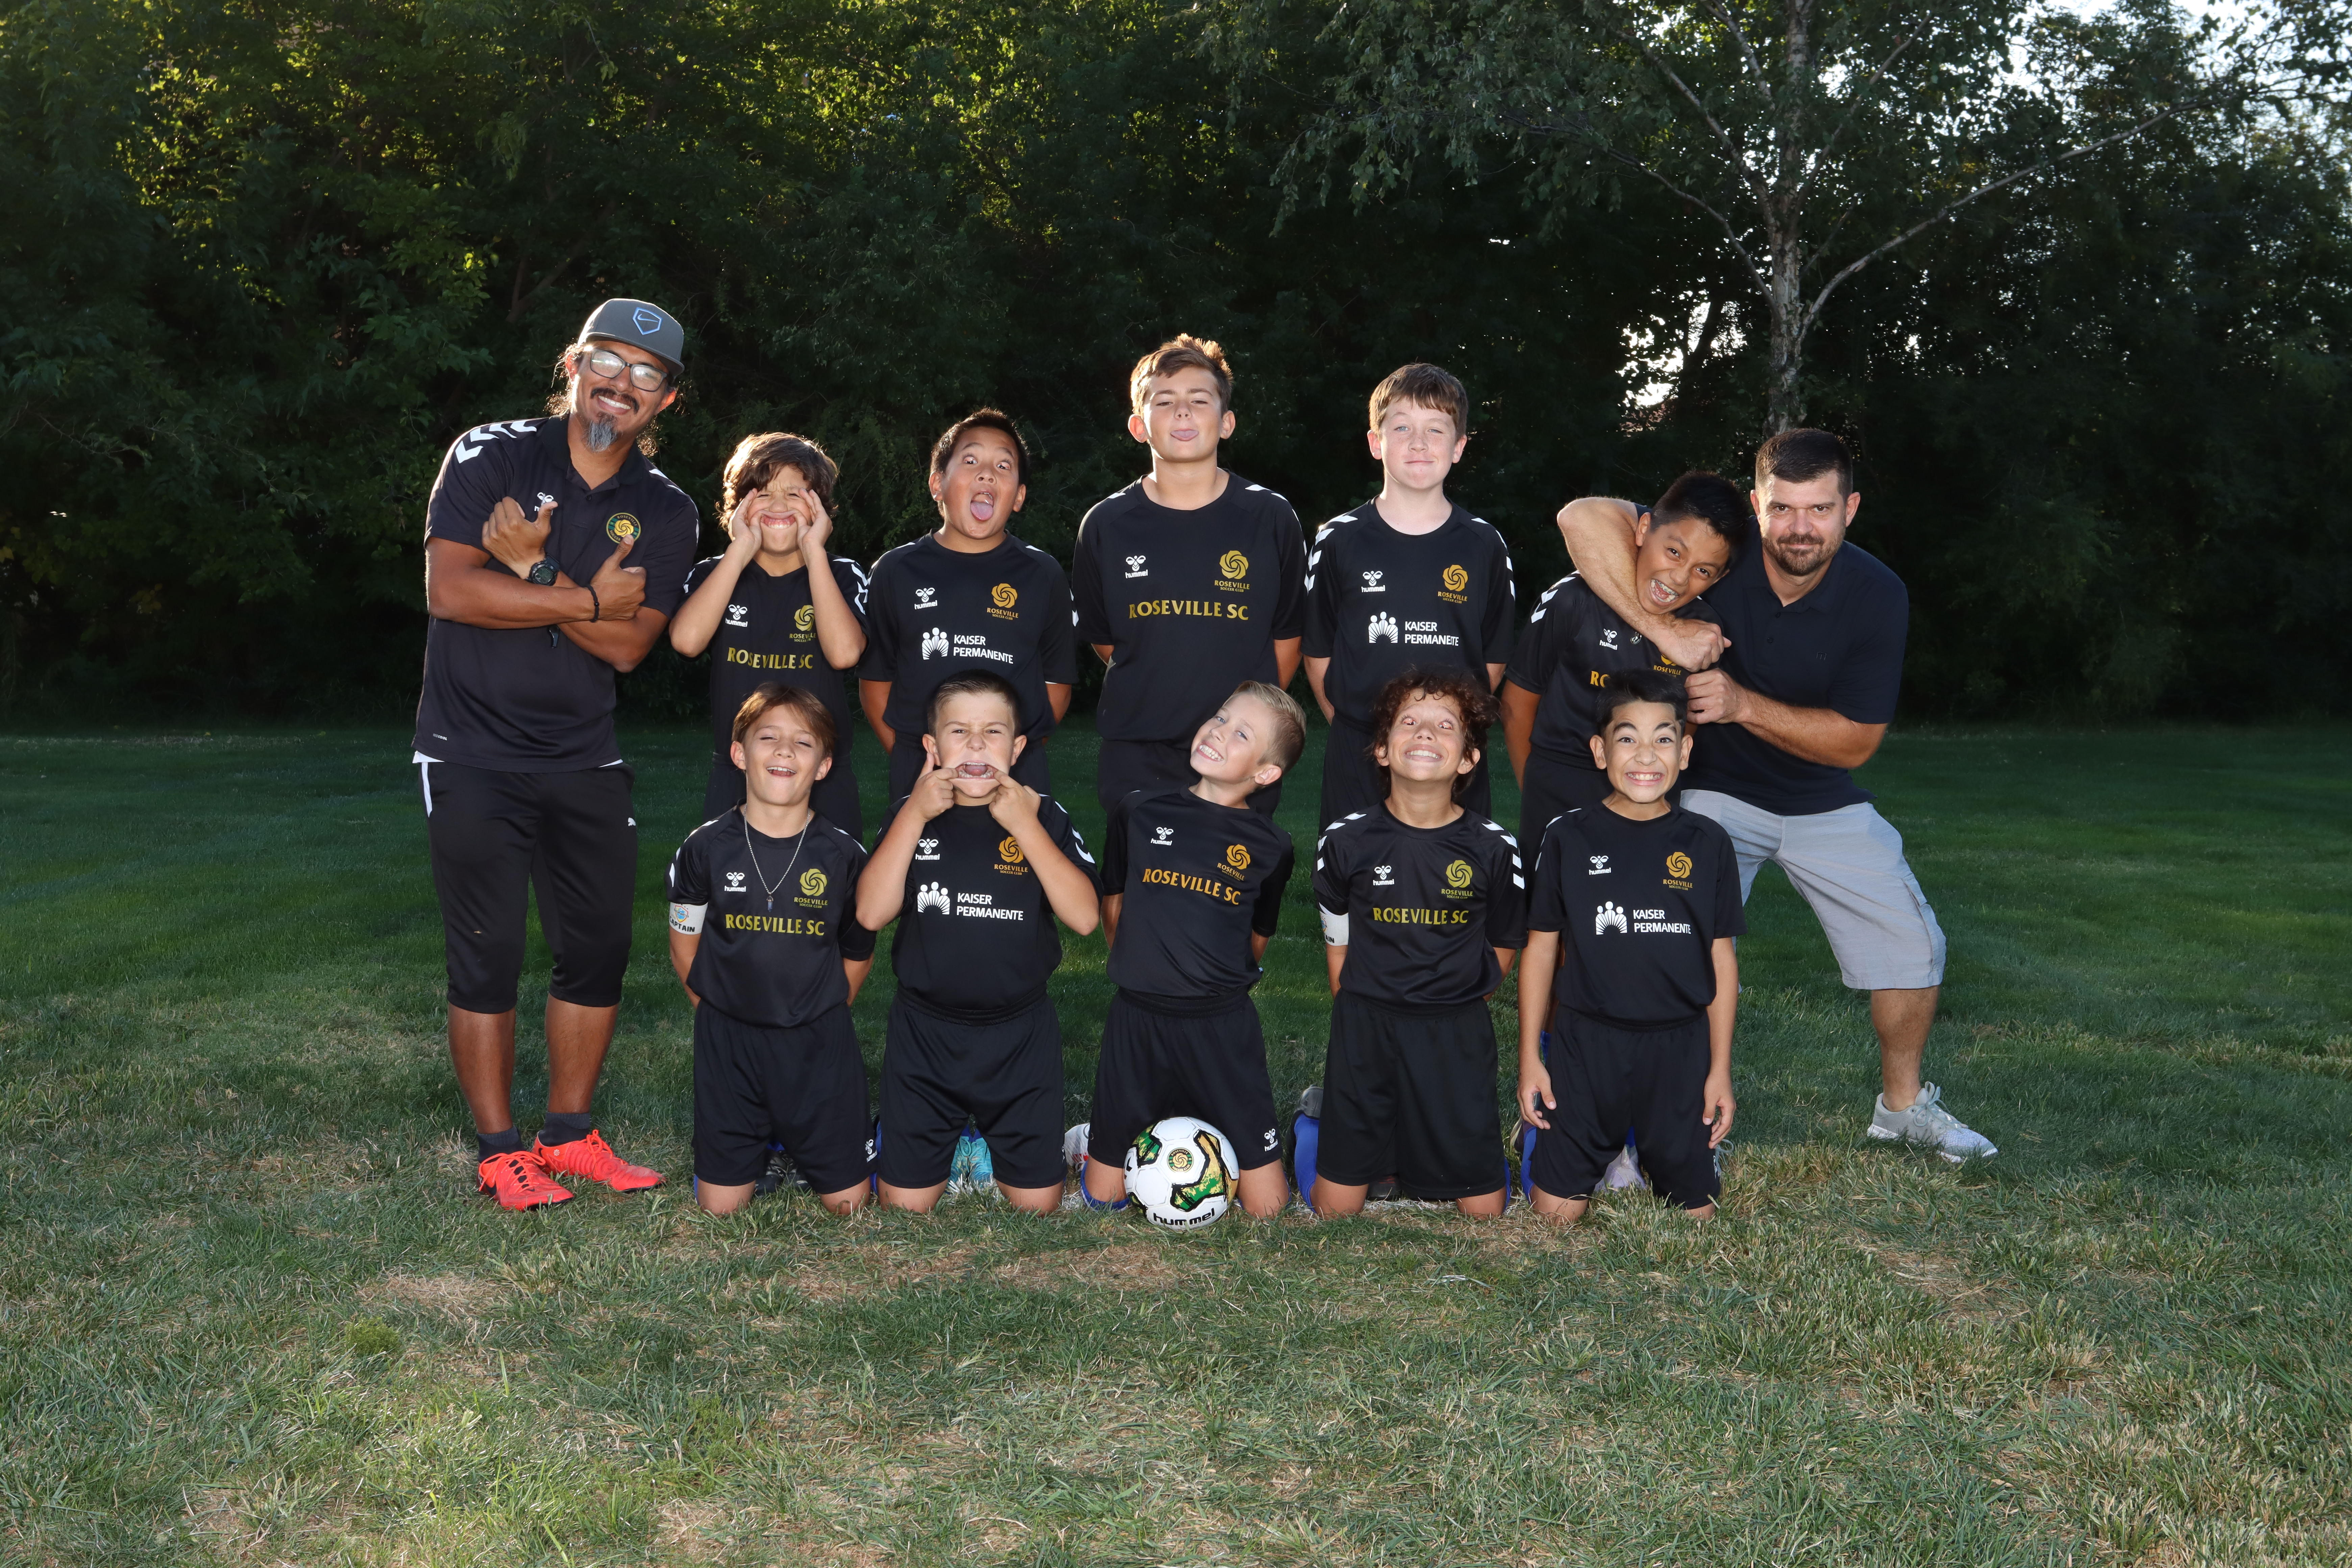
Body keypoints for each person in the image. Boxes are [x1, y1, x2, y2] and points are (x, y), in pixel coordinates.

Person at [1554, 429, 1995, 1160]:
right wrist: (1666, 630)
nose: (1800, 527)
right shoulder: (1720, 560)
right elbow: (1580, 516)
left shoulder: (1877, 593)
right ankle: (1677, 1117)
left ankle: (1902, 1109)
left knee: (1914, 945)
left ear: (1850, 509)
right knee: (1667, 940)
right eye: (1783, 508)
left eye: (1819, 509)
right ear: (1758, 506)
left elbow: (1856, 741)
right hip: (1716, 792)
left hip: (1825, 796)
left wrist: (1741, 704)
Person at [413, 296, 695, 1210]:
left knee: (599, 949)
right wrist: (586, 599)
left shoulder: (666, 508)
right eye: (606, 361)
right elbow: (453, 590)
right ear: (572, 366)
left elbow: (629, 646)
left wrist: (532, 571)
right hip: (471, 746)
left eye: (646, 374)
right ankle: (500, 1151)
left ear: (666, 400)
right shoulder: (491, 454)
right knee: (487, 953)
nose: (621, 384)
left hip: (584, 753)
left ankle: (568, 1135)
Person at [855, 673, 1101, 1214]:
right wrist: (915, 814)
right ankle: (931, 1135)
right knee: (902, 1207)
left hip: (1019, 1034)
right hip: (925, 1033)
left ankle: (985, 1144)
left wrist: (1024, 826)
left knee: (1038, 1207)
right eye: (958, 731)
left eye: (993, 732)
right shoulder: (911, 814)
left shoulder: (1045, 815)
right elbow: (870, 912)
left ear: (1017, 748)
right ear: (932, 746)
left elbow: (1086, 918)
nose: (975, 745)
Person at [1077, 682, 1306, 1218]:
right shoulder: (1138, 811)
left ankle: (1304, 1133)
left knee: (1268, 1208)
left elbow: (1256, 938)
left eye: (1242, 734)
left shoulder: (1271, 846)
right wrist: (1146, 965)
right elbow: (1114, 908)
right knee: (1102, 1201)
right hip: (1137, 1023)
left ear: (1266, 773)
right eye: (1221, 717)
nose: (1219, 732)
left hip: (1221, 1029)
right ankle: (1089, 1138)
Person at [1517, 671, 1740, 1221]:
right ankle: (1581, 1145)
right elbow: (1541, 949)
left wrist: (1719, 1069)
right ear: (1600, 751)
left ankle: (1659, 1151)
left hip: (1678, 1046)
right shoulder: (1567, 837)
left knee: (1697, 1216)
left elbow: (1721, 958)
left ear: (1685, 752)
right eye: (1627, 738)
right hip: (1586, 1043)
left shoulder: (1708, 843)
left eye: (1663, 738)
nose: (1646, 755)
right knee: (1555, 1214)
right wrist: (1529, 1058)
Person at [1310, 668, 1524, 1217]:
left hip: (1455, 1030)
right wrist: (1356, 1007)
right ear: (1383, 750)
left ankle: (1417, 1144)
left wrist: (1464, 996)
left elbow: (1504, 941)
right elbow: (1337, 937)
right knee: (1334, 1210)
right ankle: (1326, 1128)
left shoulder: (1494, 849)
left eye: (1445, 725)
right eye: (1409, 722)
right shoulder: (1345, 841)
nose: (1426, 733)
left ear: (1469, 759)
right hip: (1366, 1027)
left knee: (1484, 1212)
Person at [1073, 336, 1308, 816]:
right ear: (1139, 426)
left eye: (1199, 400)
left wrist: (1244, 723)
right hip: (1138, 752)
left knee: (1237, 868)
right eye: (1165, 402)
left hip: (1240, 757)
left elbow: (1288, 640)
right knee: (1135, 867)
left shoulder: (1271, 518)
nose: (1182, 412)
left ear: (1227, 422)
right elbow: (1106, 641)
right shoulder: (1105, 525)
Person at [665, 684, 877, 1216]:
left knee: (850, 1205)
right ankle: (761, 1147)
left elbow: (857, 954)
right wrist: (719, 1014)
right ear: (739, 754)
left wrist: (818, 1012)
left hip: (818, 1042)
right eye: (769, 738)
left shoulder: (845, 857)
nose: (785, 751)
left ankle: (815, 1142)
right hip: (729, 1043)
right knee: (720, 1210)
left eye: (803, 742)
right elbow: (684, 944)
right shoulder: (704, 847)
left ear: (823, 766)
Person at [1303, 363, 1515, 827]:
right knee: (1352, 868)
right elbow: (1318, 654)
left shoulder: (1485, 545)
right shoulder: (1339, 539)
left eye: (1435, 429)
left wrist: (1447, 728)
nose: (1419, 443)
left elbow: (1493, 660)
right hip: (1359, 750)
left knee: (1457, 870)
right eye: (1402, 428)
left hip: (1450, 752)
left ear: (1458, 447)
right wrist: (1360, 726)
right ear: (1376, 443)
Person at [1500, 471, 1744, 853]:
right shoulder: (1572, 599)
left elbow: (1689, 724)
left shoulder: (1705, 631)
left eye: (1703, 571)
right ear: (1644, 529)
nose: (1679, 578)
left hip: (1648, 796)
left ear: (1719, 578)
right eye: (1674, 552)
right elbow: (1517, 706)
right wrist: (1534, 786)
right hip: (1557, 787)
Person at [861, 410, 1076, 804]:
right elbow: (876, 684)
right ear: (937, 484)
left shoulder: (1044, 574)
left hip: (1015, 780)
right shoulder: (895, 571)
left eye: (1003, 465)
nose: (987, 474)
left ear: (1019, 497)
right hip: (922, 777)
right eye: (971, 460)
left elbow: (1057, 686)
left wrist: (1005, 756)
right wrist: (916, 759)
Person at [668, 433, 869, 836]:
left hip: (823, 775)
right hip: (737, 771)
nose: (779, 506)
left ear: (820, 508)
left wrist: (814, 552)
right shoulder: (715, 573)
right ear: (740, 507)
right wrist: (740, 549)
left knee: (835, 877)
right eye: (763, 494)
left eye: (795, 494)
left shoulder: (842, 574)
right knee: (728, 876)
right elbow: (687, 641)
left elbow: (845, 653)